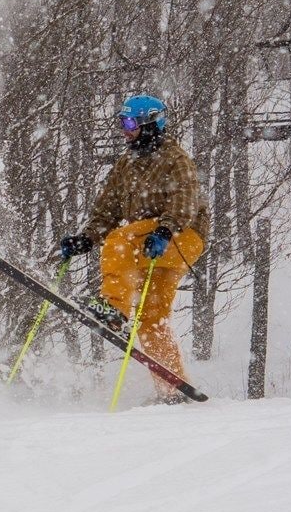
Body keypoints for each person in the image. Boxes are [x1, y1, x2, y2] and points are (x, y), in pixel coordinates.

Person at [52, 93, 209, 397]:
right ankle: (172, 389)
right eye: (122, 123)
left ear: (151, 123)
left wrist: (164, 231)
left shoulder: (175, 159)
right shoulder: (127, 163)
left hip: (182, 235)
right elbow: (107, 208)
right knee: (152, 318)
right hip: (153, 239)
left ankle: (114, 308)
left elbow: (185, 201)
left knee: (119, 239)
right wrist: (87, 238)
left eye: (130, 123)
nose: (125, 129)